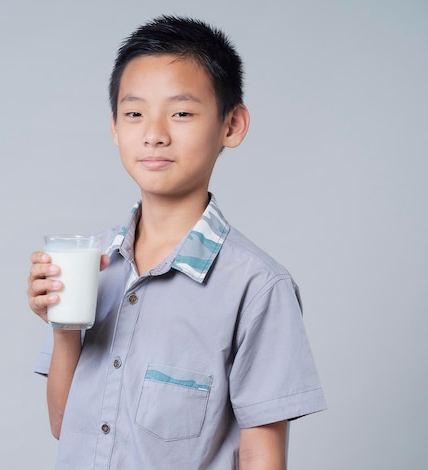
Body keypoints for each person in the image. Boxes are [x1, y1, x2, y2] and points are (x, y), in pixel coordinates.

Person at [27, 15, 326, 469]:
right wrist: (63, 328)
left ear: (232, 125)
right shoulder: (94, 263)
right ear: (114, 127)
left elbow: (261, 456)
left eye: (181, 112)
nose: (155, 133)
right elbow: (65, 426)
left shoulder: (257, 287)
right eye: (134, 113)